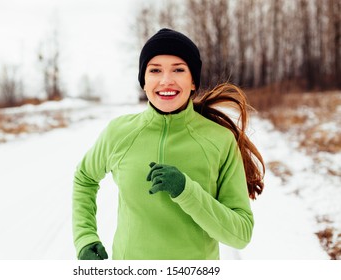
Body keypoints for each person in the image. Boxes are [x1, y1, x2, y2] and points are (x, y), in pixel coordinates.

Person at [72, 28, 265, 260]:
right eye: (155, 70)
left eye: (178, 69)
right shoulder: (119, 133)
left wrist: (185, 190)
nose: (166, 80)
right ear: (144, 82)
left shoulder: (219, 140)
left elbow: (240, 235)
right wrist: (85, 237)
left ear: (193, 81)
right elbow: (85, 177)